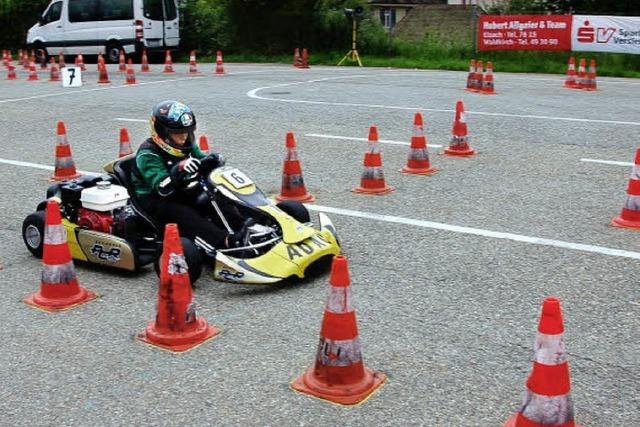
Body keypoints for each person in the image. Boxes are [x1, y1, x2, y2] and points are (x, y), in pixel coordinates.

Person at [132, 100, 238, 256]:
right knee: (184, 213)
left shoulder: (185, 145)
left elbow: (201, 160)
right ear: (162, 132)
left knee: (214, 195)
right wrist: (178, 170)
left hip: (180, 190)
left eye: (187, 131)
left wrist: (212, 161)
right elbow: (162, 187)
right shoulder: (148, 154)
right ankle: (223, 243)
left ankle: (242, 226)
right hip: (153, 199)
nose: (183, 136)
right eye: (177, 132)